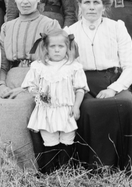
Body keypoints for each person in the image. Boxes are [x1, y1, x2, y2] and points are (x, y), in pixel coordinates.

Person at [62, 0, 132, 176]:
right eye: (87, 2)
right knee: (88, 108)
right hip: (83, 85)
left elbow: (131, 67)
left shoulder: (117, 27)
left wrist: (114, 88)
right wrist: (79, 89)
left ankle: (129, 166)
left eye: (96, 2)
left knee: (125, 103)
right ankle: (94, 168)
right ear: (80, 5)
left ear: (104, 6)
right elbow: (68, 68)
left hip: (114, 80)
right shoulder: (70, 32)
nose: (91, 7)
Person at [0, 0, 61, 172]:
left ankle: (24, 165)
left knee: (20, 107)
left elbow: (55, 63)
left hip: (38, 81)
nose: (25, 1)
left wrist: (28, 88)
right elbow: (2, 64)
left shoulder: (50, 24)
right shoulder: (7, 27)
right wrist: (1, 86)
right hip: (11, 78)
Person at [21, 30, 87, 163]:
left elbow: (80, 89)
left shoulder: (73, 67)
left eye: (61, 46)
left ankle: (65, 169)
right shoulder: (38, 66)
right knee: (49, 140)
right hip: (46, 110)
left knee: (67, 139)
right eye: (52, 46)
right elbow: (30, 86)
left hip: (66, 110)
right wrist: (39, 94)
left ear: (67, 47)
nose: (57, 50)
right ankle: (50, 170)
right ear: (46, 48)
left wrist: (76, 107)